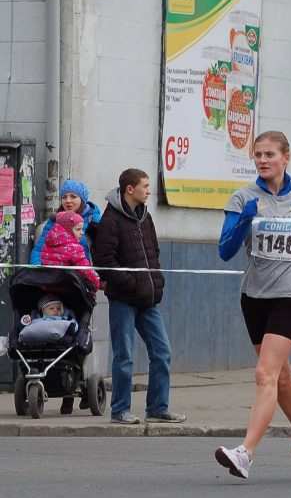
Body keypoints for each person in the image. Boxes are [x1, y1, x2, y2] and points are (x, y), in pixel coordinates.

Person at [214, 131, 291, 480]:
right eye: (257, 155)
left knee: (265, 374)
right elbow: (224, 251)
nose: (262, 160)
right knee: (281, 379)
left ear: (287, 158)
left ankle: (245, 452)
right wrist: (243, 221)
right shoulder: (242, 197)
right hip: (254, 297)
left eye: (270, 154)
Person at [94, 168, 186, 426]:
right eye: (145, 186)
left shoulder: (145, 216)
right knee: (124, 355)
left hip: (148, 299)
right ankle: (120, 410)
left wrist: (156, 281)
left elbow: (153, 252)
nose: (149, 190)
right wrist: (131, 283)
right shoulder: (111, 219)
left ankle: (158, 407)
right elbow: (103, 261)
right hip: (123, 298)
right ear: (130, 189)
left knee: (162, 351)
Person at [31, 180, 102, 264]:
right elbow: (39, 249)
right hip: (58, 274)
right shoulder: (55, 220)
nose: (68, 200)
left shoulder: (94, 219)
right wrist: (39, 270)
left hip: (86, 273)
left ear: (82, 200)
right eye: (64, 197)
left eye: (73, 196)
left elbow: (105, 251)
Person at [40, 210, 100, 290]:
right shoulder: (75, 248)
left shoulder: (47, 245)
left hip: (48, 288)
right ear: (67, 229)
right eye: (78, 229)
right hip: (69, 290)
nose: (81, 233)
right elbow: (85, 269)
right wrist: (96, 283)